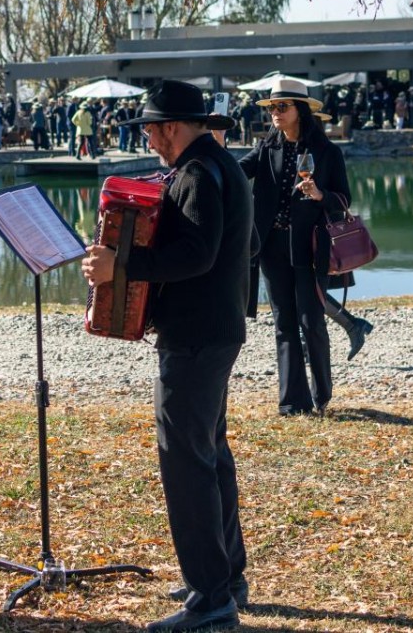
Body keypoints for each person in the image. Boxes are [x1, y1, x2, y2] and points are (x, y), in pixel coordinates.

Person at [81, 80, 251, 632]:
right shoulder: (218, 164)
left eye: (151, 130)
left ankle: (210, 599)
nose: (150, 141)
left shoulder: (200, 173)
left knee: (186, 462)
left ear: (173, 127)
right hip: (214, 329)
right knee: (210, 453)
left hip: (198, 336)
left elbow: (197, 255)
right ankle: (226, 577)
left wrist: (121, 269)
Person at [240, 79, 372, 417]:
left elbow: (344, 200)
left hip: (312, 248)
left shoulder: (328, 152)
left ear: (301, 111)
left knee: (311, 320)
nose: (274, 113)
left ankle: (321, 396)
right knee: (283, 322)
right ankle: (291, 402)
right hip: (271, 246)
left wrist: (320, 196)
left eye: (282, 107)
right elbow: (238, 172)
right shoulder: (267, 147)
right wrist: (216, 144)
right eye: (271, 108)